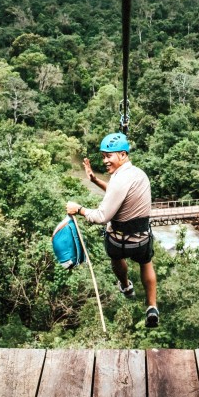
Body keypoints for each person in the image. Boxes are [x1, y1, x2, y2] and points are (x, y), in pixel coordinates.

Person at [66, 132, 158, 327]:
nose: (105, 161)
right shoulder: (139, 174)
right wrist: (95, 180)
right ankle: (152, 306)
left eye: (109, 156)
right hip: (141, 241)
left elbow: (101, 216)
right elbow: (119, 194)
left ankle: (125, 285)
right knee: (146, 262)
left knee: (116, 256)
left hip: (119, 242)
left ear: (122, 155)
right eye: (103, 156)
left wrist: (79, 209)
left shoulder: (119, 180)